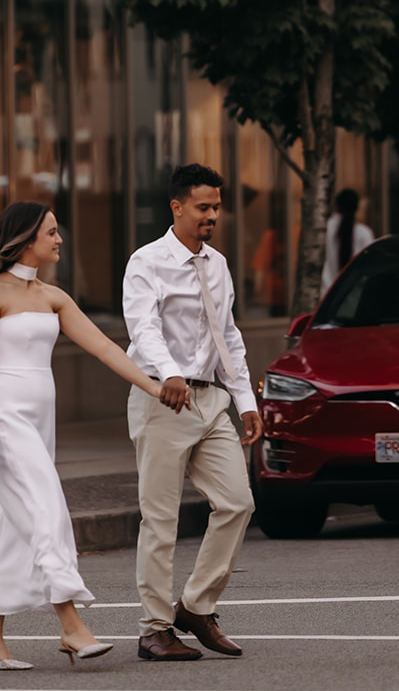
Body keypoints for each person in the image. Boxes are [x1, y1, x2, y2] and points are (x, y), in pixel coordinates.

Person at [0, 199, 177, 671]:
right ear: (24, 238)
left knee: (15, 523)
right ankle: (71, 625)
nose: (59, 240)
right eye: (52, 232)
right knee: (46, 508)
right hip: (3, 416)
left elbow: (104, 347)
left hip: (41, 420)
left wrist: (155, 386)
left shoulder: (52, 297)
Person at [122, 162, 262, 663]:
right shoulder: (147, 261)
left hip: (211, 400)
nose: (212, 216)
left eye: (216, 208)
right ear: (177, 206)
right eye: (203, 207)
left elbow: (228, 336)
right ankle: (154, 629)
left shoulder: (218, 264)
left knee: (238, 502)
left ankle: (196, 606)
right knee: (159, 519)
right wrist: (169, 373)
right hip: (164, 398)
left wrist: (244, 400)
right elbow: (143, 328)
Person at [321, 189, 375, 291]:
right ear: (357, 207)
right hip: (353, 295)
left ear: (337, 206)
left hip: (326, 296)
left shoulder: (324, 229)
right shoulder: (364, 233)